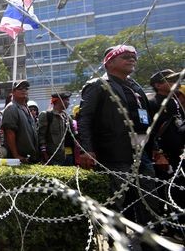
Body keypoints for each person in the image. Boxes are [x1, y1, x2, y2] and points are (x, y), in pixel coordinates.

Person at [77, 45, 158, 228]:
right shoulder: (98, 85)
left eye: (133, 57)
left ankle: (149, 240)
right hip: (114, 154)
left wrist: (156, 149)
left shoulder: (135, 87)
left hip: (141, 154)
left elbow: (148, 122)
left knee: (149, 200)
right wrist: (87, 150)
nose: (132, 60)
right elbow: (84, 119)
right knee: (116, 202)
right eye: (126, 57)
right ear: (110, 62)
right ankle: (117, 242)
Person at [148, 69, 184, 239]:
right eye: (170, 80)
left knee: (179, 191)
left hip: (178, 155)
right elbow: (150, 132)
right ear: (158, 85)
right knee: (168, 193)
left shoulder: (174, 102)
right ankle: (173, 228)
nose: (175, 83)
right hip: (164, 158)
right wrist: (158, 153)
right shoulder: (154, 104)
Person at [1, 80, 39, 163]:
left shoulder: (26, 108)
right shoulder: (11, 108)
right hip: (19, 159)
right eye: (20, 88)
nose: (24, 90)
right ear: (13, 92)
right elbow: (9, 133)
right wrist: (16, 155)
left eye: (26, 88)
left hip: (29, 157)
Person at [37, 92, 76, 166]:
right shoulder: (46, 115)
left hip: (67, 156)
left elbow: (74, 135)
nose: (69, 103)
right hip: (51, 157)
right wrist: (44, 153)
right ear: (58, 101)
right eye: (66, 100)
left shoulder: (67, 117)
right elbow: (41, 136)